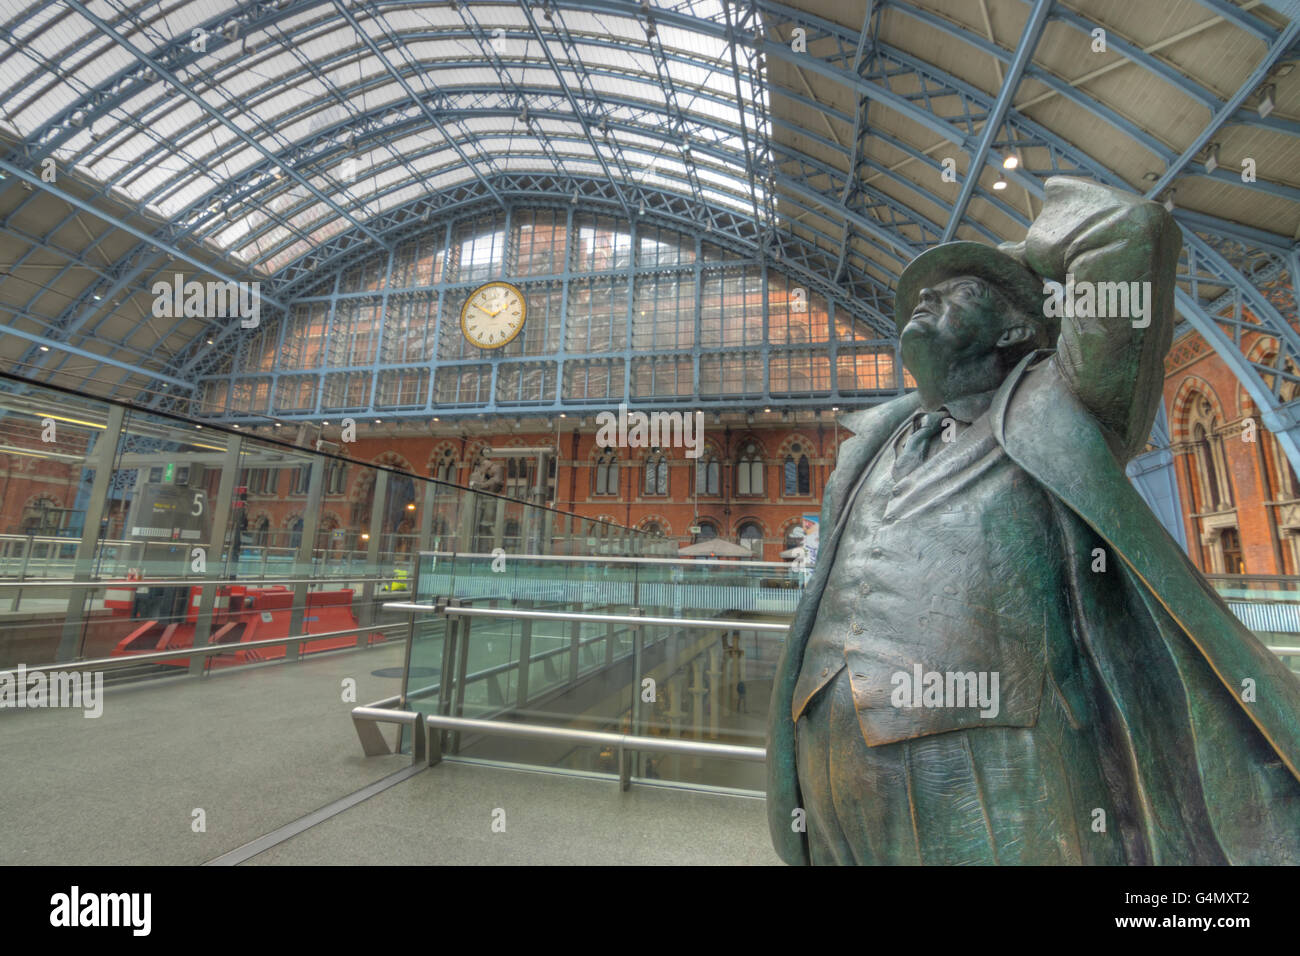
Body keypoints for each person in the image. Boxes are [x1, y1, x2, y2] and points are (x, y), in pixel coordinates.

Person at [767, 176, 1300, 866]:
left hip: (994, 756)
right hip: (832, 750)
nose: (927, 298)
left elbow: (1127, 230)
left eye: (963, 292)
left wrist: (1020, 257)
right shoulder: (873, 443)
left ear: (1017, 327)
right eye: (924, 295)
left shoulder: (1065, 403)